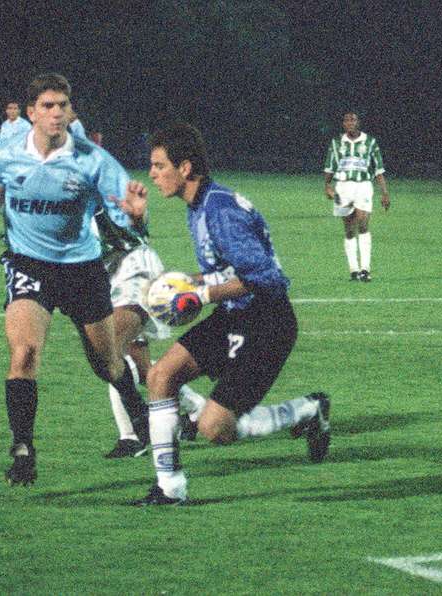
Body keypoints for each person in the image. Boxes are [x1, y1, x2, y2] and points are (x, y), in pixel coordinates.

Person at [124, 123, 331, 506]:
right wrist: (189, 281)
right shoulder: (200, 203)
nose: (152, 174)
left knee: (216, 430)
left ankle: (307, 410)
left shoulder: (219, 210)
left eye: (158, 165)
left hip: (268, 323)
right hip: (234, 316)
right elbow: (230, 270)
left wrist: (200, 294)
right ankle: (170, 488)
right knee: (161, 375)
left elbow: (266, 278)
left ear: (184, 168)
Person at [0, 73, 151, 486]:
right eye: (48, 106)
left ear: (72, 112)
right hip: (28, 264)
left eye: (63, 106)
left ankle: (136, 406)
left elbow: (127, 225)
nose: (57, 113)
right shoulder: (5, 151)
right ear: (32, 113)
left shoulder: (94, 160)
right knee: (24, 356)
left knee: (105, 364)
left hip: (82, 270)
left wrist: (137, 215)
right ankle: (23, 450)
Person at [67, 111, 206, 459]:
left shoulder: (96, 177)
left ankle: (133, 434)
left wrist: (137, 218)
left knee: (109, 348)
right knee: (143, 369)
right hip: (102, 277)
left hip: (132, 269)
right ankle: (197, 410)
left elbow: (130, 231)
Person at [323, 112, 390, 281]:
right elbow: (330, 167)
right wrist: (327, 187)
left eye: (353, 120)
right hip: (343, 186)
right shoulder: (336, 143)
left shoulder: (370, 142)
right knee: (349, 228)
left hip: (363, 186)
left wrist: (384, 193)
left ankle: (365, 269)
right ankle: (353, 269)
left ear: (358, 122)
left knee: (362, 222)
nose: (350, 122)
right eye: (346, 120)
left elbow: (379, 170)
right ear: (343, 124)